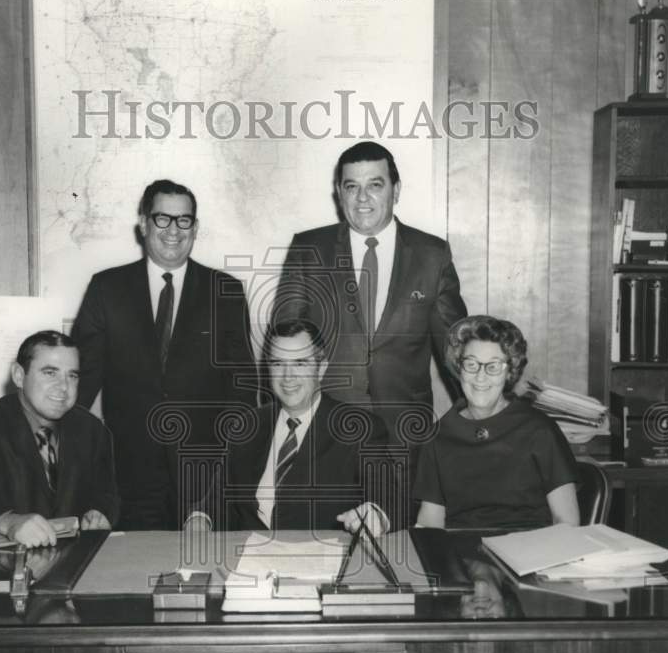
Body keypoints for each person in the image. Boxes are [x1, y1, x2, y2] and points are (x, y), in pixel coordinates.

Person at [72, 179, 256, 530]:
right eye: (162, 219)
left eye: (184, 220)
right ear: (143, 224)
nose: (174, 230)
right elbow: (80, 387)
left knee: (203, 577)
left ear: (195, 227)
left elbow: (243, 396)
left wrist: (226, 478)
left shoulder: (225, 291)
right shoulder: (106, 289)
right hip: (128, 478)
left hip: (203, 483)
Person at [275, 141, 467, 448]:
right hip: (326, 434)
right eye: (352, 187)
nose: (362, 198)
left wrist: (477, 420)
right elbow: (284, 346)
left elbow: (457, 351)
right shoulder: (308, 249)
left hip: (404, 436)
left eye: (375, 185)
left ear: (396, 190)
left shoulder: (431, 254)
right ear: (340, 193)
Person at [184, 319, 400, 534]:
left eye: (300, 363)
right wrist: (200, 519)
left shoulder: (359, 429)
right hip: (248, 559)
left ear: (321, 368)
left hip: (319, 560)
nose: (288, 376)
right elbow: (218, 499)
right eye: (278, 364)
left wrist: (376, 515)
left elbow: (390, 501)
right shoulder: (247, 425)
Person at [0, 331, 119, 548]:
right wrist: (6, 521)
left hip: (73, 562)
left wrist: (99, 513)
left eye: (72, 375)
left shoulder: (92, 429)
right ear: (18, 375)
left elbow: (107, 494)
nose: (63, 387)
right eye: (50, 373)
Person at [414, 315, 579, 530]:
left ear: (510, 371)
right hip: (462, 554)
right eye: (471, 364)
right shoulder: (439, 435)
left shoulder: (539, 430)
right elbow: (430, 526)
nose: (480, 377)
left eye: (493, 366)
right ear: (459, 368)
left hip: (530, 553)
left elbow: (568, 523)